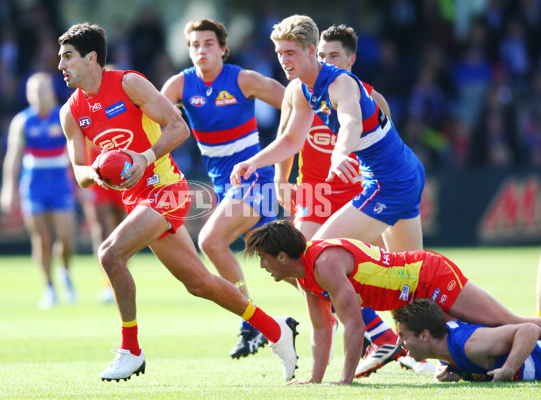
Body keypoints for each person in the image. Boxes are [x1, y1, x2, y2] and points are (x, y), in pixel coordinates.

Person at [57, 22, 298, 382]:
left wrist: (143, 157)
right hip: (137, 198)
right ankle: (276, 329)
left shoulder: (128, 84)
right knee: (199, 283)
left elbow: (178, 127)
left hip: (167, 187)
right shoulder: (71, 112)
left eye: (67, 57)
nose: (60, 65)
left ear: (91, 58)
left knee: (109, 253)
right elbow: (78, 170)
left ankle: (131, 350)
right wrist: (95, 169)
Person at [272, 23, 412, 377]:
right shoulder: (302, 90)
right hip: (315, 190)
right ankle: (368, 332)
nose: (325, 60)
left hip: (357, 191)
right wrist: (279, 178)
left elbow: (380, 146)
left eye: (333, 55)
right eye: (321, 54)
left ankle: (408, 342)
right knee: (305, 267)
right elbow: (286, 136)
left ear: (351, 60)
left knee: (394, 269)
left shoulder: (365, 96)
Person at [243, 219, 541, 385]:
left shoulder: (325, 265)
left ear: (283, 257)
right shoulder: (306, 275)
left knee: (506, 323)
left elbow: (355, 325)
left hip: (429, 276)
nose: (263, 267)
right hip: (415, 289)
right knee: (494, 330)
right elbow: (322, 328)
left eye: (264, 260)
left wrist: (345, 381)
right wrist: (314, 381)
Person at [161, 19, 286, 359]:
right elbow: (152, 113)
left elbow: (295, 103)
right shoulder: (180, 84)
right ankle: (362, 324)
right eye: (194, 45)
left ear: (222, 49)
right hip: (227, 187)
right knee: (288, 265)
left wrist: (297, 144)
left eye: (208, 44)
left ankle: (251, 323)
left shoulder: (243, 79)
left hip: (256, 181)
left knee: (210, 241)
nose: (201, 50)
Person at [0, 71, 77, 310]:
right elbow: (13, 157)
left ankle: (64, 270)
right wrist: (8, 188)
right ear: (27, 94)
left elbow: (77, 148)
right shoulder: (22, 121)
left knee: (66, 238)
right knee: (41, 239)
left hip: (60, 182)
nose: (38, 95)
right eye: (34, 91)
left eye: (43, 90)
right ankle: (49, 287)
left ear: (52, 92)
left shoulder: (63, 115)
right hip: (33, 185)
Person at [392, 298, 541, 382]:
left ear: (425, 335)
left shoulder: (472, 345)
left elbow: (529, 330)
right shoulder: (443, 350)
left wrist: (509, 368)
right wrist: (456, 372)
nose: (398, 342)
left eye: (403, 336)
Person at [80, 139, 127, 303]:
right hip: (94, 175)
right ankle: (108, 283)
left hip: (121, 171)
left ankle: (121, 277)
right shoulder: (79, 115)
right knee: (100, 229)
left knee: (122, 231)